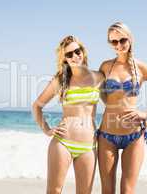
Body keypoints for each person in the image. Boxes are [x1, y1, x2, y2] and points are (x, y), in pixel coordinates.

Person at [97, 22, 147, 194]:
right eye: (113, 42)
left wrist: (146, 114)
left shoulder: (142, 67)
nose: (118, 45)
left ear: (130, 39)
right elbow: (98, 93)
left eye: (122, 40)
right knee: (107, 190)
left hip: (134, 136)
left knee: (128, 190)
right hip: (107, 135)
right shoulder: (105, 66)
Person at [32, 35, 104, 194]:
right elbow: (36, 106)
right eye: (69, 54)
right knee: (54, 191)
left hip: (88, 146)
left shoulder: (99, 77)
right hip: (62, 143)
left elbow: (116, 102)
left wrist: (136, 117)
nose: (74, 56)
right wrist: (47, 130)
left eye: (77, 51)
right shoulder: (60, 80)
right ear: (64, 59)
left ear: (83, 52)